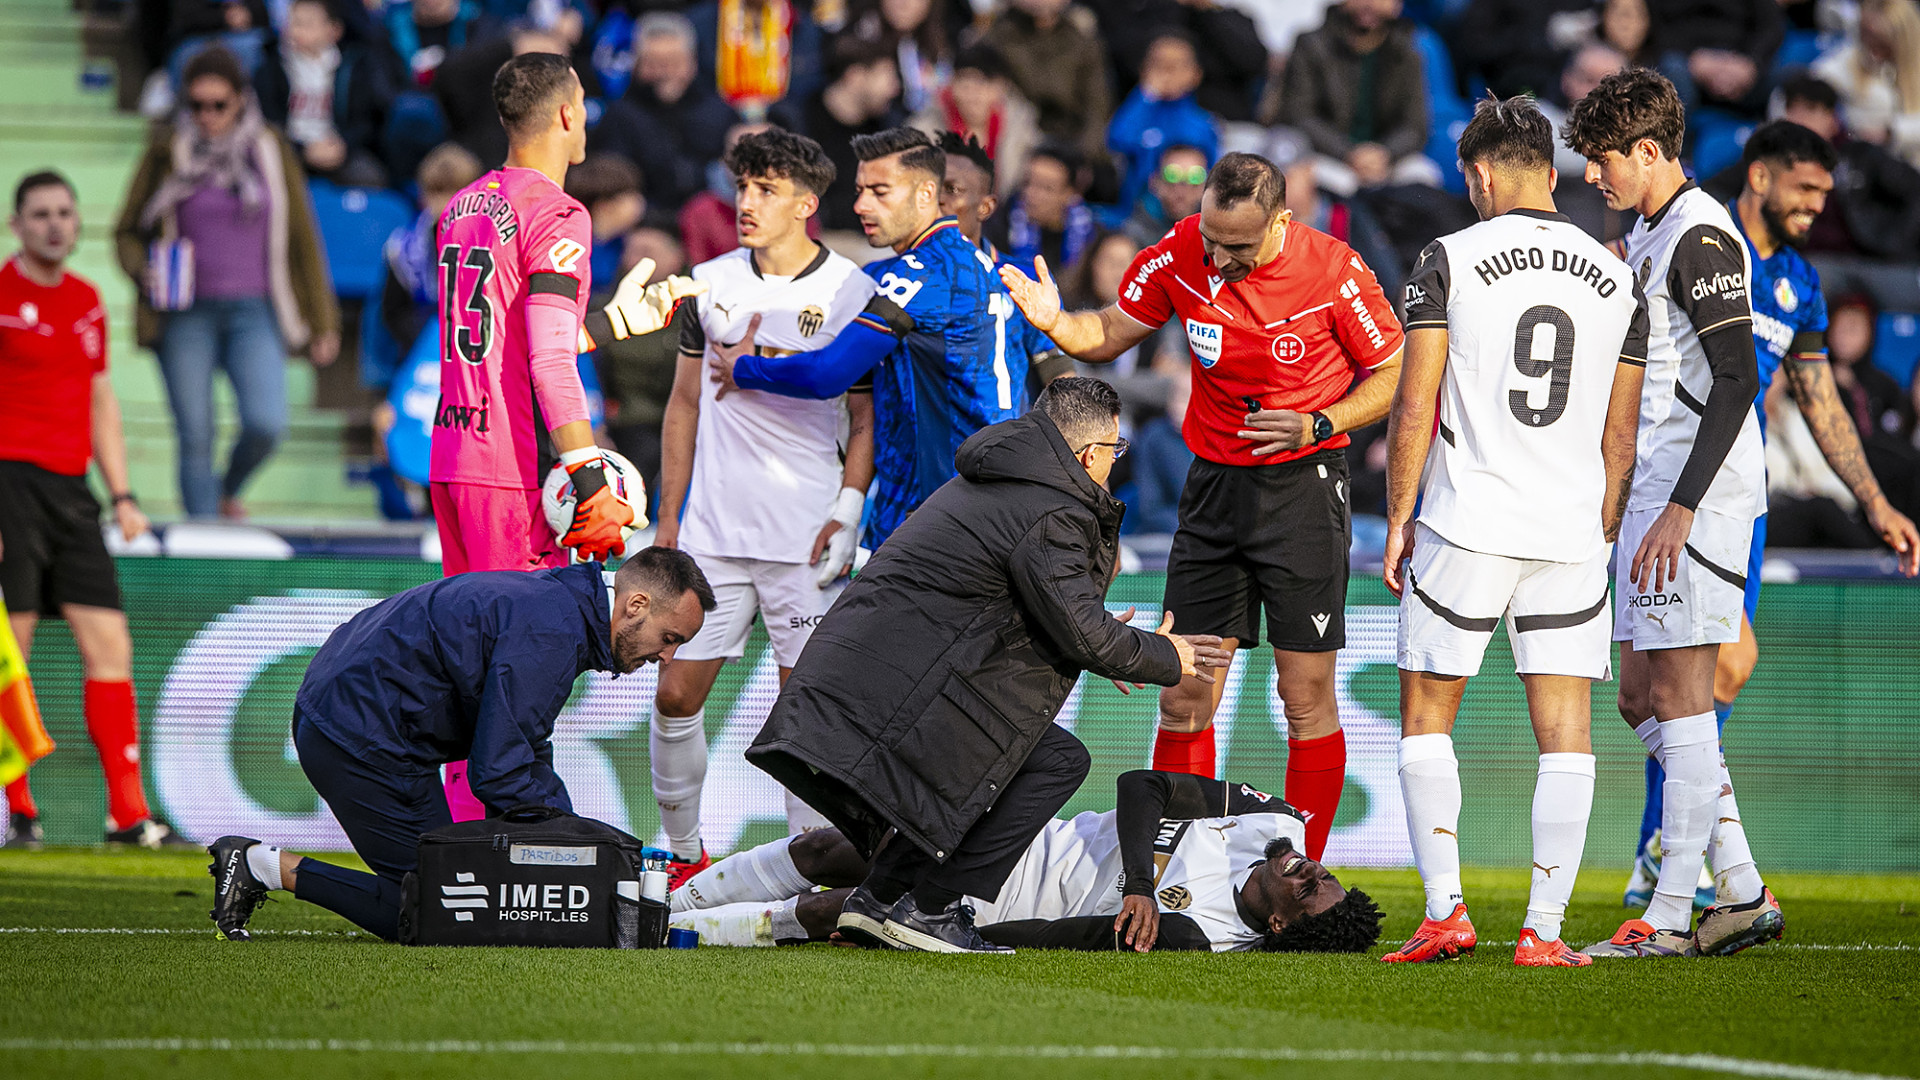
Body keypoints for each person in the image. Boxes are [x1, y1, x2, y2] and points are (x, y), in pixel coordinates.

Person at [1000, 153, 1406, 861]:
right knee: (1185, 691)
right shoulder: (1181, 250)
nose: (1219, 256)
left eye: (1238, 245)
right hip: (1213, 491)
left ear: (1283, 220)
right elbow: (1109, 331)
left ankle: (1300, 872)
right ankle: (1183, 866)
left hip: (1305, 487)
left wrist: (1321, 423)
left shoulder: (1335, 269)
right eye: (1213, 238)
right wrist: (1056, 323)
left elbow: (1394, 370)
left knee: (1303, 696)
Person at [745, 379, 1230, 953]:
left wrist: (1103, 640)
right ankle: (931, 907)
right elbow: (1077, 627)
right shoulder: (1054, 508)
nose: (1115, 463)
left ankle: (880, 899)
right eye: (1116, 449)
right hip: (894, 699)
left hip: (872, 688)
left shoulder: (1005, 480)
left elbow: (1040, 616)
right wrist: (1158, 655)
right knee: (1051, 760)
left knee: (1025, 750)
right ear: (1089, 455)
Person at [1620, 120, 1920, 908]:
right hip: (1666, 478)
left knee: (1709, 671)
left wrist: (1876, 500)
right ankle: (1695, 846)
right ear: (1760, 176)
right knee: (1652, 689)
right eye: (1806, 188)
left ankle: (1676, 858)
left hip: (1726, 503)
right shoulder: (1700, 239)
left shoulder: (1799, 284)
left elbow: (1821, 404)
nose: (1817, 207)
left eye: (1825, 193)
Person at [1377, 96, 1648, 968]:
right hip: (1571, 528)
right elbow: (1622, 438)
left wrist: (1396, 515)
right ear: (1556, 169)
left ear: (1481, 173)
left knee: (1426, 716)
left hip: (1468, 521)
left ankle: (1447, 912)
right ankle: (1545, 930)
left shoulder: (1449, 258)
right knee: (1568, 733)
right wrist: (1599, 524)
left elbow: (1413, 401)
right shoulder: (1619, 275)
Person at [203, 549, 715, 942]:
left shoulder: (561, 608)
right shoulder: (552, 629)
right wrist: (576, 847)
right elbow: (498, 772)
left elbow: (522, 741)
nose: (668, 657)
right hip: (358, 733)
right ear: (636, 605)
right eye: (669, 637)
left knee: (467, 895)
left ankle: (260, 865)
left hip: (363, 720)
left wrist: (563, 838)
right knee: (441, 913)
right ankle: (259, 865)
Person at [1563, 67, 1780, 959]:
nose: (1592, 176)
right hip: (1659, 492)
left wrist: (1681, 508)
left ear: (1650, 151)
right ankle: (1740, 886)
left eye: (1603, 158)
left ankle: (1669, 914)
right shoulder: (1651, 237)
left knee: (1683, 702)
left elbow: (1739, 379)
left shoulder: (1699, 237)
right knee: (1639, 700)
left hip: (1696, 498)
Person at [647, 130, 878, 885]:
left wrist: (847, 511)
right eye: (743, 187)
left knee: (801, 718)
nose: (747, 203)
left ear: (808, 205)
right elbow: (682, 407)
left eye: (766, 190)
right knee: (675, 691)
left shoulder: (851, 291)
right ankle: (681, 854)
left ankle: (805, 873)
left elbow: (866, 418)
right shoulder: (707, 282)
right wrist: (669, 520)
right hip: (711, 533)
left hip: (804, 539)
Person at [428, 52, 694, 576]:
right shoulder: (558, 213)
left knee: (470, 643)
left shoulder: (461, 206)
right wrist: (590, 481)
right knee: (520, 649)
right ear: (569, 115)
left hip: (454, 454)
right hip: (511, 467)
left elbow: (508, 340)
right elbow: (549, 362)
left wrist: (612, 323)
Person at [709, 127, 1038, 550]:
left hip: (949, 515)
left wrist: (745, 368)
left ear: (925, 196)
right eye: (861, 189)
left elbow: (828, 375)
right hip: (966, 505)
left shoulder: (923, 273)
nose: (861, 204)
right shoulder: (971, 263)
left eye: (880, 192)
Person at [671, 770, 1382, 953]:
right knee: (827, 848)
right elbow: (1144, 786)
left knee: (839, 909)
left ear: (1284, 927)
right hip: (1034, 832)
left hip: (1008, 898)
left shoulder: (1202, 933)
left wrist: (977, 937)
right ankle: (674, 901)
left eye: (1312, 891)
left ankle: (673, 933)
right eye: (1325, 874)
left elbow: (1069, 935)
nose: (1312, 870)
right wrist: (1139, 882)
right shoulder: (1276, 821)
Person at [0, 173, 180, 851]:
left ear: (77, 224)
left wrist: (124, 494)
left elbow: (101, 399)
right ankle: (18, 811)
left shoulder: (86, 301)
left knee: (110, 645)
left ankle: (127, 815)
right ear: (17, 225)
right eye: (40, 214)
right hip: (7, 486)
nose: (54, 224)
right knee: (9, 655)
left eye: (64, 213)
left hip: (73, 493)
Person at [114, 45, 340, 520]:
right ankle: (203, 540)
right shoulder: (165, 149)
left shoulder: (269, 148)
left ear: (240, 100)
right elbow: (126, 230)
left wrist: (323, 321)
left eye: (218, 105)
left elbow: (303, 236)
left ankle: (224, 491)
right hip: (182, 312)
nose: (207, 116)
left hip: (255, 309)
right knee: (195, 433)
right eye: (196, 105)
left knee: (267, 423)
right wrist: (144, 269)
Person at [1277, 0, 1440, 196]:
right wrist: (1348, 153)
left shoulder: (1408, 52)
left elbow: (1415, 126)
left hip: (1386, 158)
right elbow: (1298, 114)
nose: (1370, 4)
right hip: (1327, 154)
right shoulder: (1312, 44)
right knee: (1326, 181)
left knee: (1422, 175)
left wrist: (1384, 154)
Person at [592, 12, 740, 215]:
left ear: (692, 62)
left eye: (674, 62)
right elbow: (613, 177)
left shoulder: (719, 112)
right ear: (637, 65)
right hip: (644, 220)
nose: (665, 73)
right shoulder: (619, 115)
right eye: (654, 64)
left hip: (709, 217)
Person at [771, 36, 905, 235]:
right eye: (886, 77)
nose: (895, 89)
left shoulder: (888, 129)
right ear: (855, 76)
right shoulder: (796, 121)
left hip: (869, 242)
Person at [253, 0, 392, 186]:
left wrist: (343, 146)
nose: (296, 30)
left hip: (339, 150)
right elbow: (269, 119)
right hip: (289, 151)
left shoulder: (353, 66)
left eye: (307, 24)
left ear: (334, 30)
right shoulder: (271, 68)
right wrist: (302, 150)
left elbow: (364, 121)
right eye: (293, 22)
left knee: (371, 178)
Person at [982, 0, 1112, 164]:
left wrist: (1084, 156)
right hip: (1018, 137)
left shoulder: (1081, 39)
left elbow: (1097, 106)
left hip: (1071, 140)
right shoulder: (998, 38)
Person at [1106, 32, 1219, 215]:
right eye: (1159, 65)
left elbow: (1211, 180)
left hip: (1186, 217)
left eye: (1176, 65)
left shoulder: (1203, 124)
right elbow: (1117, 140)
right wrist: (1147, 94)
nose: (1167, 72)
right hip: (1136, 217)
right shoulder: (1140, 111)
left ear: (1196, 74)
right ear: (1144, 70)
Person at [911, 45, 1040, 203]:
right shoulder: (925, 129)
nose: (972, 94)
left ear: (1001, 87)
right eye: (964, 84)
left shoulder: (1022, 128)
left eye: (982, 83)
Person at [1813, 0, 1920, 171]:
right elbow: (1801, 91)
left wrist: (1891, 133)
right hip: (1866, 173)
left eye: (1882, 43)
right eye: (1866, 37)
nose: (1873, 51)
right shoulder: (1846, 62)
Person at [988, 142, 1098, 274]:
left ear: (1070, 193)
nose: (1031, 193)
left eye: (1046, 188)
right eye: (1027, 182)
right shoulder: (998, 227)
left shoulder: (1090, 238)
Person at [1122, 143, 1209, 249]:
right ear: (1154, 182)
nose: (1181, 190)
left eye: (1195, 177)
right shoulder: (1133, 234)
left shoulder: (1215, 233)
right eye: (1172, 175)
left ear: (1205, 186)